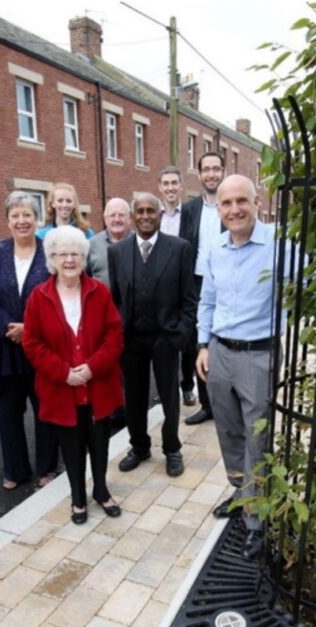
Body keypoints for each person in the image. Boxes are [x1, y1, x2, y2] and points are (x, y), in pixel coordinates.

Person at [196, 175, 280, 561]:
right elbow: (207, 300)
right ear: (218, 209)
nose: (235, 210)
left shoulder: (280, 245)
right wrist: (203, 345)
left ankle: (255, 520)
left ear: (257, 202)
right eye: (226, 203)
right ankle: (241, 491)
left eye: (241, 201)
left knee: (256, 439)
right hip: (219, 353)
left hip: (258, 356)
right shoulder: (216, 247)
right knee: (228, 430)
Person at [23, 226, 124, 524]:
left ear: (84, 257)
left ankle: (101, 491)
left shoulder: (99, 291)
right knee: (72, 447)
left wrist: (93, 367)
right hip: (62, 390)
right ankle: (78, 498)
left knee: (100, 444)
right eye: (63, 254)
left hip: (99, 386)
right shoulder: (39, 297)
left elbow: (114, 335)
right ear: (52, 259)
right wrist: (63, 372)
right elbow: (32, 343)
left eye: (76, 254)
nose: (69, 260)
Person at [108, 192, 196, 478]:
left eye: (151, 211)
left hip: (165, 337)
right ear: (133, 217)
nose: (146, 216)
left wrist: (180, 334)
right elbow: (115, 298)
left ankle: (172, 448)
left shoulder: (179, 248)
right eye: (140, 211)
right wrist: (119, 330)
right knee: (134, 397)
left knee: (170, 397)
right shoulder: (117, 252)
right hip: (131, 337)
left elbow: (189, 298)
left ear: (160, 215)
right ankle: (139, 446)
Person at [0, 191, 60, 490]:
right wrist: (6, 325)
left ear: (37, 219)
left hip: (42, 347)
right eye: (15, 215)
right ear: (7, 221)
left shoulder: (50, 253)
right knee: (7, 412)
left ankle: (47, 468)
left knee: (46, 409)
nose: (22, 220)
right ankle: (15, 469)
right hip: (3, 349)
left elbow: (60, 295)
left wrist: (31, 328)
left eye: (27, 214)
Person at [180, 151, 227, 422]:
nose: (211, 174)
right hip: (196, 283)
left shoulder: (230, 205)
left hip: (225, 282)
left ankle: (225, 403)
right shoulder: (189, 209)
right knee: (199, 343)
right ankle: (207, 406)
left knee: (225, 342)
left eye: (215, 169)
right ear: (199, 174)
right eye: (206, 169)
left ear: (222, 172)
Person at [86, 197, 132, 287]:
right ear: (105, 219)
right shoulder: (91, 245)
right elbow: (86, 278)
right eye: (112, 215)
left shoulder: (139, 243)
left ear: (129, 217)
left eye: (121, 215)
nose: (117, 219)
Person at [158, 165, 184, 238]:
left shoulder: (190, 215)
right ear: (160, 187)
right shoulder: (155, 215)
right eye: (166, 184)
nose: (170, 188)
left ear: (181, 186)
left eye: (174, 183)